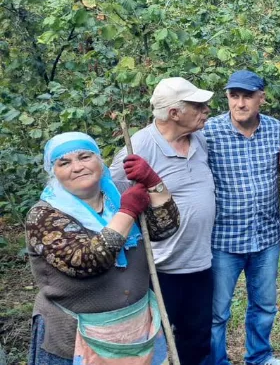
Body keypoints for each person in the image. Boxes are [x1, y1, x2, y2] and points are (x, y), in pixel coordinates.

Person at [26, 133, 179, 364]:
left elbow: (164, 228)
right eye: (64, 162)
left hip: (136, 328)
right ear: (53, 172)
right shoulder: (44, 215)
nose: (77, 167)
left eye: (85, 156)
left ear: (100, 160)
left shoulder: (117, 194)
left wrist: (154, 184)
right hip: (74, 335)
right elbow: (88, 261)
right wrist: (127, 213)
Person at [111, 76, 216, 365]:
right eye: (199, 106)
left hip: (201, 262)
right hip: (160, 268)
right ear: (174, 113)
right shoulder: (140, 147)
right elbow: (112, 201)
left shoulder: (199, 138)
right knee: (156, 341)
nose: (207, 110)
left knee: (197, 338)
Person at [204, 70, 280, 365]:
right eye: (234, 96)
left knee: (265, 304)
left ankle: (260, 356)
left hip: (266, 235)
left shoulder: (276, 130)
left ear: (261, 98)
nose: (240, 103)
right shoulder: (209, 132)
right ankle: (216, 361)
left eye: (247, 96)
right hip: (224, 238)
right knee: (217, 311)